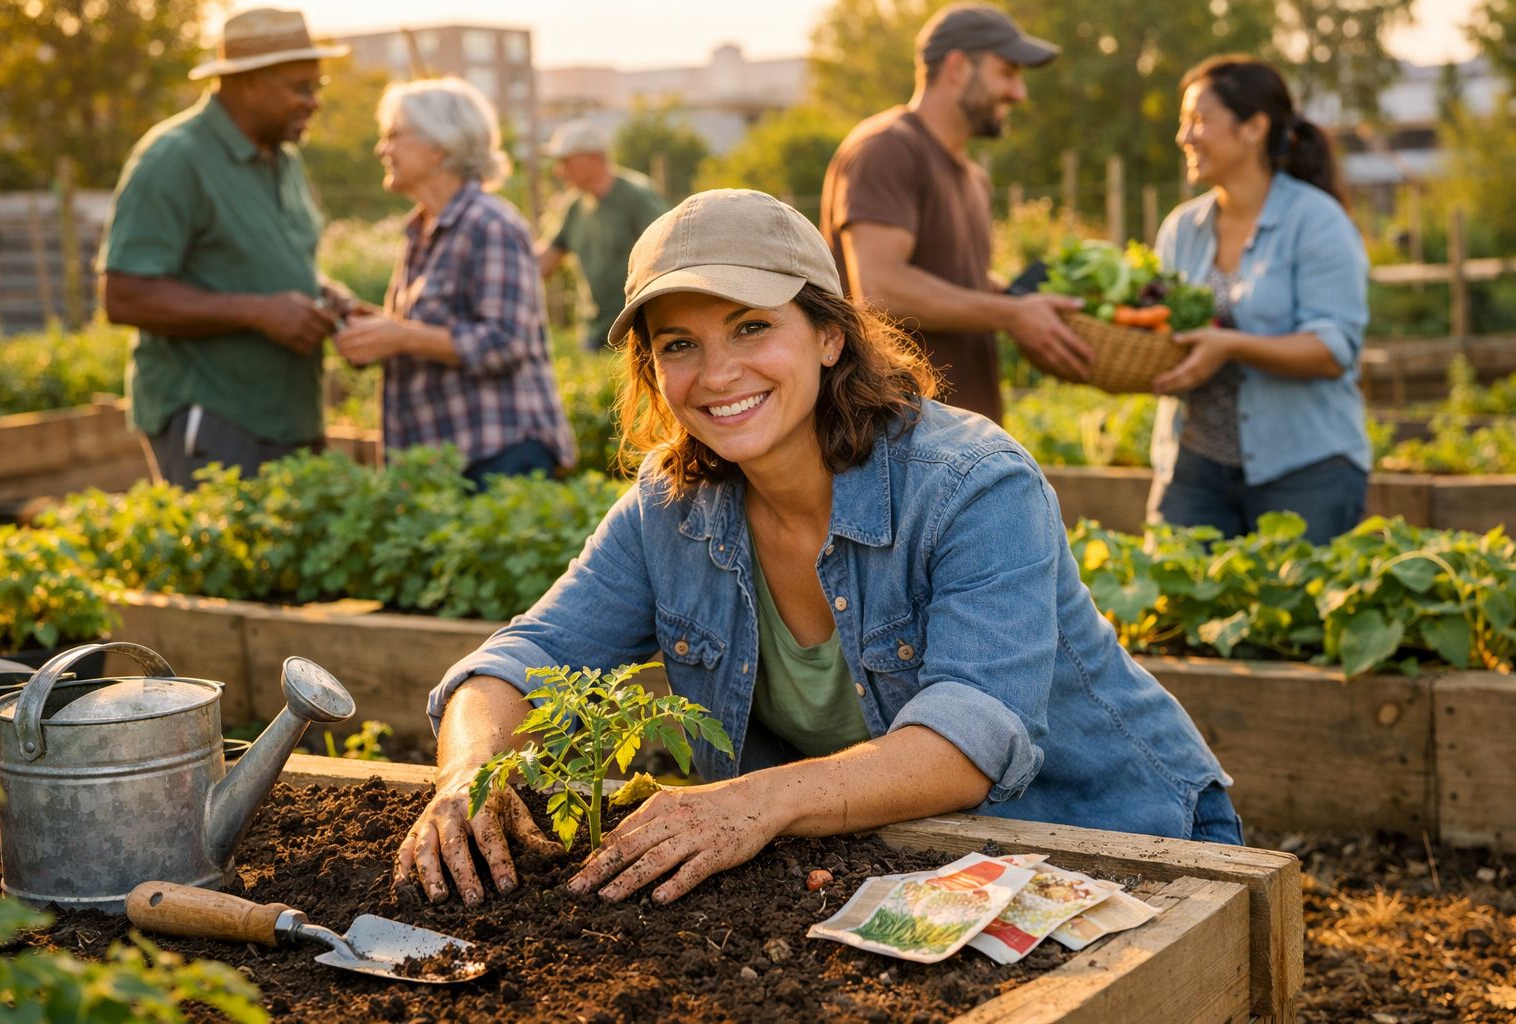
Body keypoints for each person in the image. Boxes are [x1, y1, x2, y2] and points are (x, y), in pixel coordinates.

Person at [396, 189, 1238, 910]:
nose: (717, 373)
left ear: (829, 336)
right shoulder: (671, 506)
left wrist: (753, 803)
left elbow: (973, 736)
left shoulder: (972, 484)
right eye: (678, 344)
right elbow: (527, 654)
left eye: (751, 327)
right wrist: (469, 772)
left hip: (1120, 841)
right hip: (931, 870)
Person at [97, 7, 353, 487]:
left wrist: (322, 294)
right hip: (216, 419)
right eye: (300, 88)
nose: (313, 102)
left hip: (289, 417)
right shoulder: (175, 158)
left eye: (318, 87)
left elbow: (261, 260)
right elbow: (124, 294)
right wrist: (260, 313)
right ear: (246, 83)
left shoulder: (285, 161)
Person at [819, 2, 1092, 424]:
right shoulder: (887, 149)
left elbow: (959, 283)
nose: (1019, 93)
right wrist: (1011, 315)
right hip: (897, 430)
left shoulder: (973, 177)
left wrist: (1025, 304)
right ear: (959, 67)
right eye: (1007, 73)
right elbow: (881, 287)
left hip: (965, 428)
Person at [1147, 55, 1371, 544]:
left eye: (1200, 120)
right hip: (1194, 465)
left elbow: (1333, 350)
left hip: (1305, 468)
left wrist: (1231, 346)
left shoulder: (1317, 222)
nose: (1185, 136)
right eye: (1184, 122)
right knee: (1174, 615)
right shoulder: (1182, 228)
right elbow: (1155, 326)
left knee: (1296, 618)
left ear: (1253, 128)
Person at [335, 78, 576, 486]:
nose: (382, 149)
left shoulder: (489, 224)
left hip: (499, 456)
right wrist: (379, 330)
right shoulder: (420, 231)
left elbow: (506, 342)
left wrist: (402, 336)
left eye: (393, 135)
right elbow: (433, 330)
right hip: (445, 463)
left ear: (438, 147)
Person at [537, 121, 670, 351]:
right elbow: (544, 262)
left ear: (594, 158)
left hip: (637, 332)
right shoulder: (574, 206)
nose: (559, 171)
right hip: (593, 334)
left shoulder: (637, 197)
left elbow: (670, 252)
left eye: (566, 161)